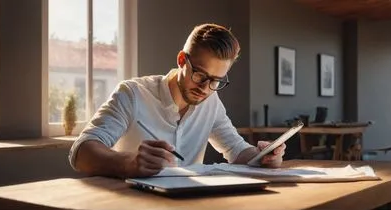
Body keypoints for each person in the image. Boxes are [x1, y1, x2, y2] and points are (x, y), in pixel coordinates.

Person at [68, 23, 286, 178]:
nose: (205, 88)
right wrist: (129, 163)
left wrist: (263, 157)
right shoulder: (132, 94)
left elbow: (237, 150)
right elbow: (81, 152)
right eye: (199, 75)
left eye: (216, 81)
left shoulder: (211, 102)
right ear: (182, 60)